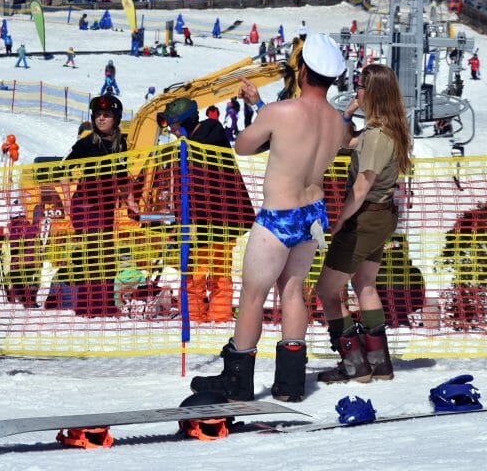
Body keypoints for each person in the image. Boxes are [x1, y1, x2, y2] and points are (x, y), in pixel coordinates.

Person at [190, 33, 348, 403]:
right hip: (312, 216)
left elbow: (244, 146)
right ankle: (291, 383)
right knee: (293, 293)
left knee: (252, 297)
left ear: (303, 69)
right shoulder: (337, 122)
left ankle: (237, 382)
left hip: (278, 216)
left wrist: (256, 109)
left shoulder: (281, 112)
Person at [314, 64, 411, 384]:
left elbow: (361, 185)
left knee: (326, 291)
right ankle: (379, 363)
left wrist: (341, 219)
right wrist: (350, 110)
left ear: (372, 92)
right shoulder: (389, 130)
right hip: (382, 216)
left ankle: (355, 364)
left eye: (359, 87)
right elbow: (345, 141)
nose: (355, 91)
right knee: (364, 285)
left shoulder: (376, 136)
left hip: (365, 217)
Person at [154, 97, 255, 323]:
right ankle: (194, 317)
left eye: (175, 126)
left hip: (222, 219)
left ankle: (220, 317)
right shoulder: (184, 146)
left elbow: (203, 169)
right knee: (193, 272)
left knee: (219, 272)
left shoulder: (212, 133)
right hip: (193, 220)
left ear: (187, 122)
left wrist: (185, 146)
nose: (173, 131)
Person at [63, 94, 137, 316]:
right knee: (94, 255)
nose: (101, 119)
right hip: (86, 206)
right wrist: (68, 205)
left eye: (107, 115)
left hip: (106, 207)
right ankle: (90, 306)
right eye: (98, 115)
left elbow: (123, 178)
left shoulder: (120, 144)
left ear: (116, 119)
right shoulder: (86, 144)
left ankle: (104, 304)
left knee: (105, 256)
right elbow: (62, 172)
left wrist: (132, 204)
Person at [5, 201, 40, 308]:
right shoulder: (28, 227)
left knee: (20, 281)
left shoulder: (11, 229)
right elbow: (34, 231)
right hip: (30, 264)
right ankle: (28, 299)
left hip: (15, 266)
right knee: (35, 279)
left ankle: (16, 293)